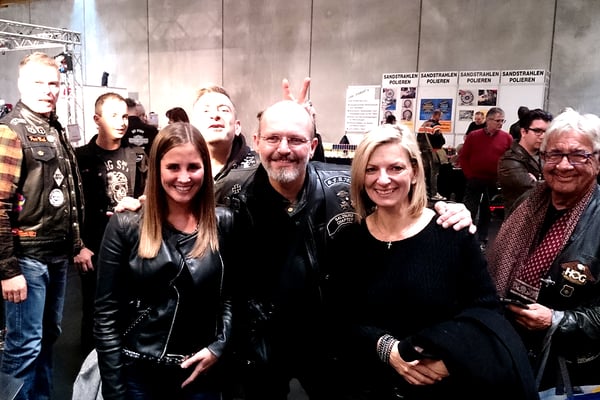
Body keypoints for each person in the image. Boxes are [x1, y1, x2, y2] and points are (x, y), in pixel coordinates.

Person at [215, 100, 474, 400]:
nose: (283, 149)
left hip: (329, 339)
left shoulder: (342, 187)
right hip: (258, 340)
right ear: (257, 141)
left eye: (296, 139)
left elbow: (396, 200)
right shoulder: (228, 192)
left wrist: (445, 209)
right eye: (273, 138)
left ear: (312, 146)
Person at [326, 123, 537, 400]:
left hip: (444, 387)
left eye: (396, 168)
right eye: (371, 169)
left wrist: (453, 358)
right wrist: (387, 349)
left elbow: (486, 310)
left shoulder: (451, 232)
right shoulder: (350, 241)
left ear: (414, 172)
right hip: (372, 385)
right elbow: (339, 318)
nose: (383, 179)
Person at [94, 122, 234, 400]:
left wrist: (219, 346)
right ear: (157, 169)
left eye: (193, 167)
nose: (184, 177)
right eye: (173, 167)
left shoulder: (224, 222)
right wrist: (115, 391)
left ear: (205, 169)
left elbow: (231, 296)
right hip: (139, 373)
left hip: (200, 373)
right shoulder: (126, 225)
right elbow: (106, 315)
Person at [488, 108, 600, 397]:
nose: (563, 165)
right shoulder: (529, 202)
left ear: (597, 161)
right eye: (554, 154)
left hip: (571, 370)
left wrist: (558, 321)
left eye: (578, 155)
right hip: (509, 354)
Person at [0, 51, 85, 400]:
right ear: (21, 84)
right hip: (26, 259)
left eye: (54, 83)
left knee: (48, 338)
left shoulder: (53, 129)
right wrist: (8, 269)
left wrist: (77, 245)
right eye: (39, 82)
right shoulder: (10, 130)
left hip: (56, 255)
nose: (48, 90)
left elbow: (66, 196)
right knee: (24, 347)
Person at [73, 92, 148, 355]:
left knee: (131, 308)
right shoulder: (79, 157)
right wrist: (78, 246)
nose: (122, 122)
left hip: (131, 246)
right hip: (93, 247)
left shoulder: (137, 155)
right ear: (97, 119)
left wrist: (140, 202)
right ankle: (91, 369)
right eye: (114, 116)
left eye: (125, 116)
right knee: (95, 311)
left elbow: (151, 195)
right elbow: (71, 206)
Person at [459, 107, 512, 250]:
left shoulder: (507, 138)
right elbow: (463, 157)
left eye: (502, 121)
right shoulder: (474, 136)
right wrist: (469, 175)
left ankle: (482, 238)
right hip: (475, 179)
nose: (500, 124)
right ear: (488, 120)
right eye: (497, 121)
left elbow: (510, 159)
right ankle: (465, 236)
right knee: (470, 209)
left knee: (487, 211)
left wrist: (502, 176)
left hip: (493, 180)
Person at [498, 108, 553, 216]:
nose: (543, 136)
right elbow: (534, 191)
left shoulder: (544, 156)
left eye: (546, 132)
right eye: (537, 131)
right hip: (520, 220)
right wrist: (548, 182)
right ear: (523, 132)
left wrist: (540, 182)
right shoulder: (509, 161)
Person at [417, 109, 446, 201]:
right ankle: (434, 193)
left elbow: (418, 138)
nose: (441, 118)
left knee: (425, 172)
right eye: (440, 116)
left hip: (423, 151)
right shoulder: (435, 125)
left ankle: (425, 193)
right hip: (433, 151)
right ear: (437, 115)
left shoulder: (423, 124)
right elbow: (440, 140)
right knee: (434, 173)